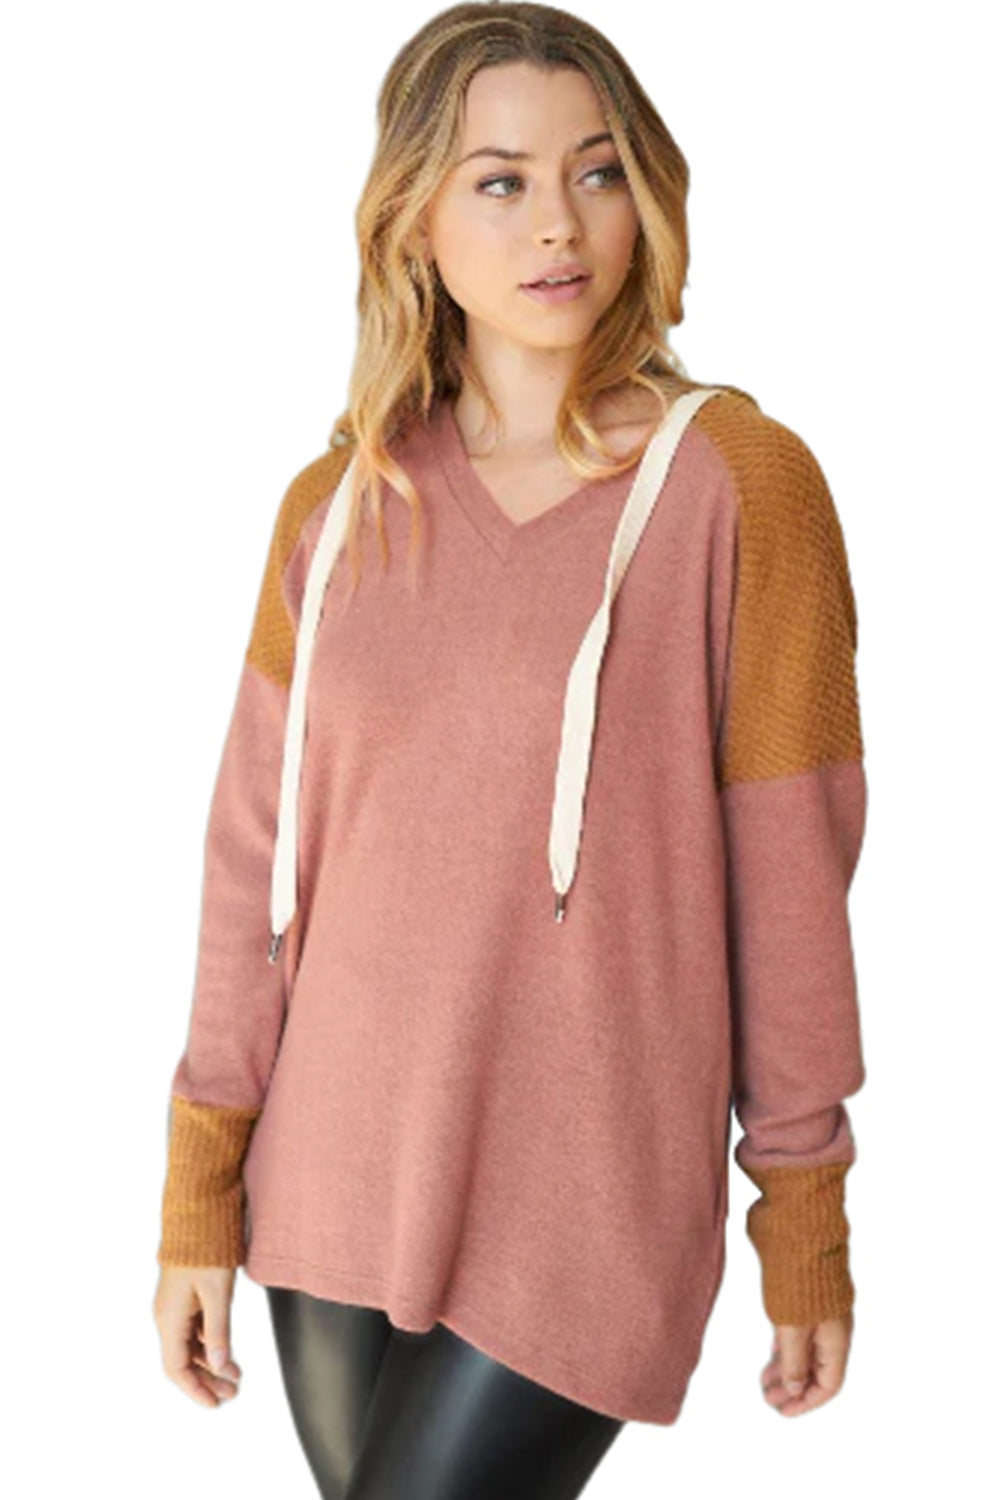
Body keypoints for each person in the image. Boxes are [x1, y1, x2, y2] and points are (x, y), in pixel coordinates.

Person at [152, 3, 869, 1495]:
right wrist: (198, 1190)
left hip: (585, 1191)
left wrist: (800, 1206)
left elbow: (791, 877)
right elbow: (250, 872)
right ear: (413, 218)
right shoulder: (336, 510)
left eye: (596, 173)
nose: (559, 223)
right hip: (335, 1168)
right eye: (500, 181)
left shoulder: (741, 485)